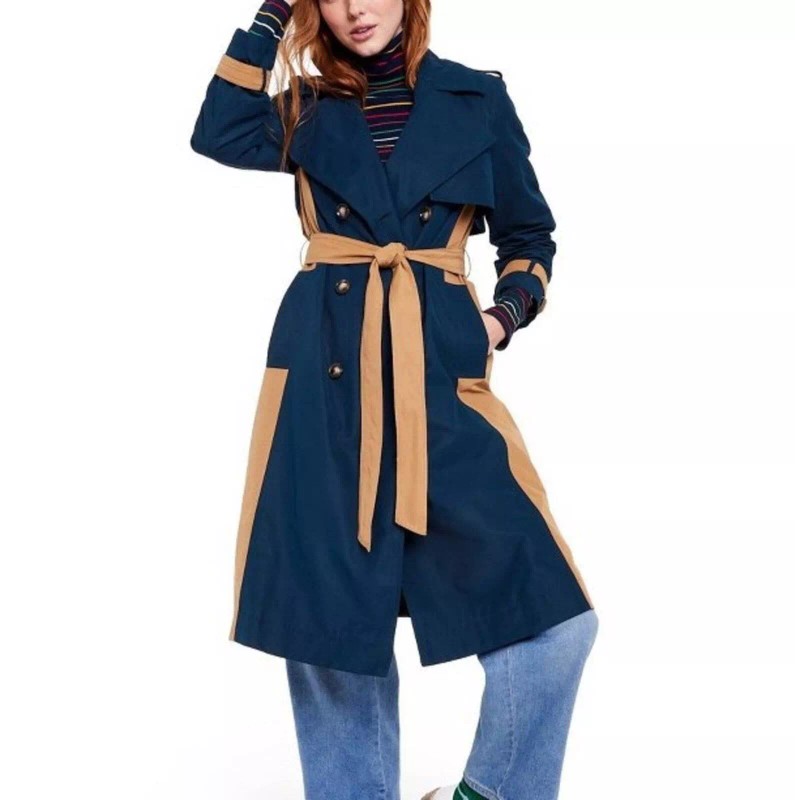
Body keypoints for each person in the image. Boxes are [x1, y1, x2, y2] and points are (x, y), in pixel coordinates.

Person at [190, 1, 599, 798]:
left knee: (558, 626)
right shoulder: (304, 106)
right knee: (332, 637)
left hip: (439, 378)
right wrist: (272, 13)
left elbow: (529, 236)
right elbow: (217, 128)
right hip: (324, 377)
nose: (355, 8)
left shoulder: (477, 97)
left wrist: (498, 320)